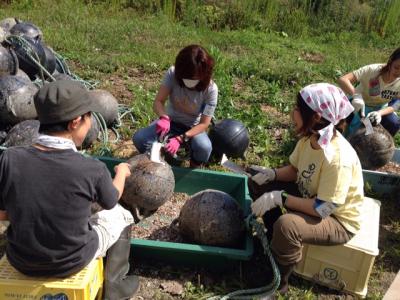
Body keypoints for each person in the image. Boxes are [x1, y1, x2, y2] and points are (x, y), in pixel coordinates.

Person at [0, 80, 138, 300]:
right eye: (89, 118)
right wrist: (121, 172)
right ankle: (115, 288)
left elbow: (2, 213)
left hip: (21, 261)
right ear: (75, 122)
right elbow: (111, 200)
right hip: (71, 262)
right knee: (121, 215)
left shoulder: (10, 158)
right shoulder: (91, 168)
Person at [248, 83, 364, 294]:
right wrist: (271, 174)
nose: (293, 112)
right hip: (311, 197)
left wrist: (280, 198)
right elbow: (294, 169)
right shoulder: (310, 138)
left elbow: (323, 208)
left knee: (288, 225)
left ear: (317, 116)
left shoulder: (337, 159)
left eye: (297, 108)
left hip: (338, 220)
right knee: (256, 181)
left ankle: (278, 282)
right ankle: (276, 242)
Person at [133, 44, 218, 167]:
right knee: (140, 138)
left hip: (192, 127)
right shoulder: (173, 74)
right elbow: (158, 101)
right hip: (170, 123)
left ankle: (193, 167)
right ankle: (160, 159)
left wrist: (181, 138)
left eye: (194, 78)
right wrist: (163, 117)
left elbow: (204, 124)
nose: (189, 81)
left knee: (204, 148)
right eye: (185, 77)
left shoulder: (211, 89)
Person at [338, 47, 400, 136]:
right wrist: (356, 95)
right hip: (358, 103)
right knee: (346, 128)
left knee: (393, 123)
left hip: (379, 108)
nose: (398, 72)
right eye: (397, 67)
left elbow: (397, 103)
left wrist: (379, 113)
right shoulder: (373, 70)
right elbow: (343, 80)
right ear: (390, 63)